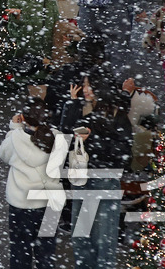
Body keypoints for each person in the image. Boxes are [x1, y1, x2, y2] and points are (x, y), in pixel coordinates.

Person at [58, 78, 136, 269]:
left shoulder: (115, 116)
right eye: (84, 85)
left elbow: (124, 155)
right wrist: (72, 104)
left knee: (102, 240)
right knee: (82, 239)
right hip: (83, 179)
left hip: (105, 180)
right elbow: (66, 137)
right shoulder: (85, 111)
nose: (85, 89)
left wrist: (93, 141)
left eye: (89, 85)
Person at [0, 103, 67, 269]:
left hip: (21, 203)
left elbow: (3, 154)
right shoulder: (58, 138)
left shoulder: (15, 139)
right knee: (46, 255)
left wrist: (14, 128)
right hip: (49, 203)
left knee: (20, 253)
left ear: (23, 118)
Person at [5, 0, 60, 68]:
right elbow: (15, 33)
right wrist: (19, 18)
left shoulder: (50, 1)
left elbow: (57, 28)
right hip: (27, 61)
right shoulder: (15, 0)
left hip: (50, 61)